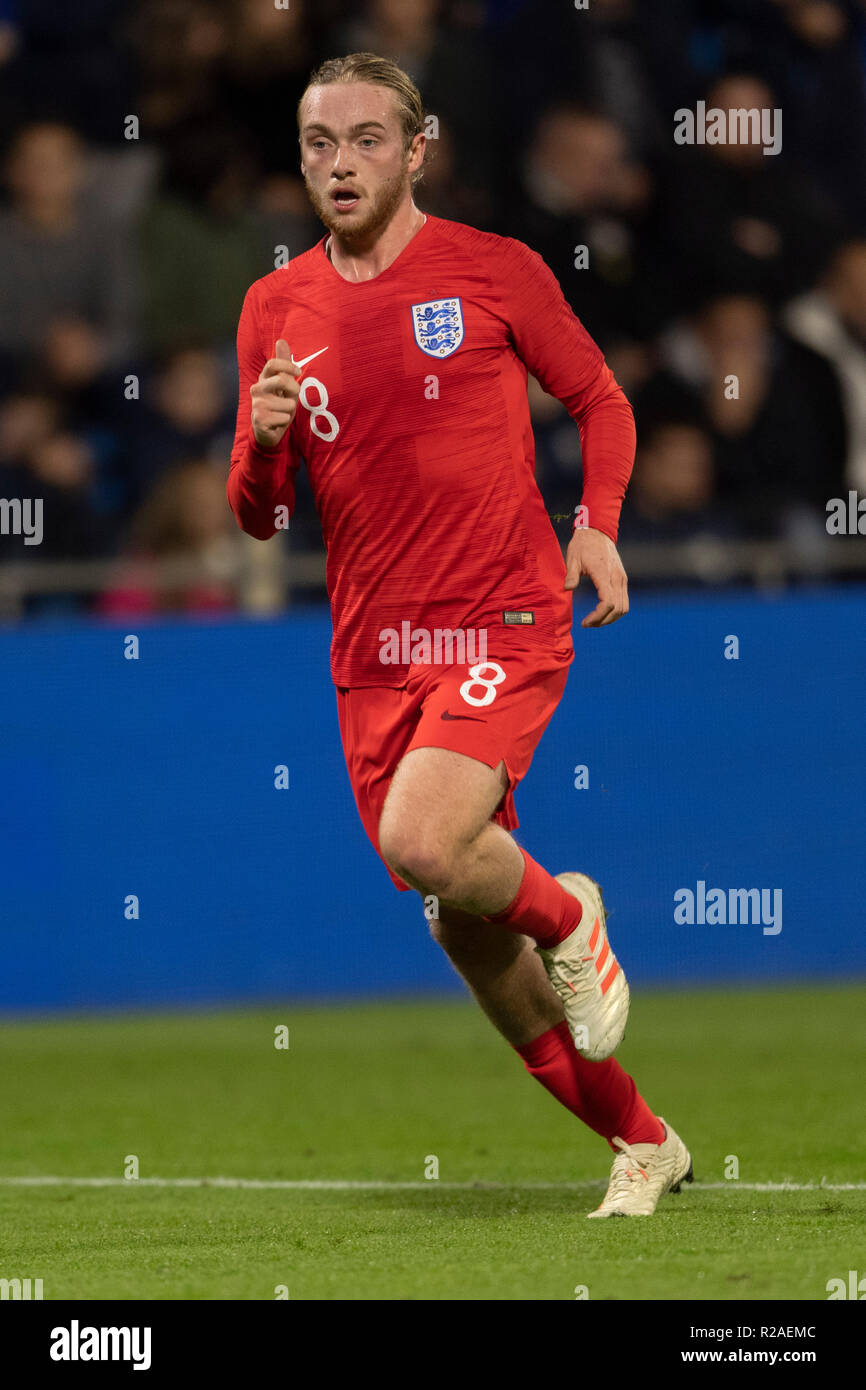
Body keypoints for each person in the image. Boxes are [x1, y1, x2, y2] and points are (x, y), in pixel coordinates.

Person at [226, 53, 692, 1217]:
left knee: (428, 844)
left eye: (367, 139)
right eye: (320, 143)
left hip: (502, 612)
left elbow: (600, 397)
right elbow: (260, 517)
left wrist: (595, 526)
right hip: (374, 656)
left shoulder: (491, 271)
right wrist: (263, 442)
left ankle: (571, 913)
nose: (341, 163)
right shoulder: (273, 311)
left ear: (416, 148)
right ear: (299, 158)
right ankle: (643, 1141)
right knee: (465, 932)